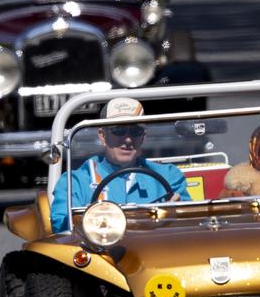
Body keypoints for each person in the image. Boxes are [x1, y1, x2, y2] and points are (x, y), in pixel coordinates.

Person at [50, 97, 190, 232]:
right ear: (102, 136)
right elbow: (62, 229)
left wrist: (177, 212)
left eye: (135, 131)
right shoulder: (74, 182)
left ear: (143, 137)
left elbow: (193, 222)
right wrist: (87, 220)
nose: (128, 139)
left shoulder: (169, 176)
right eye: (119, 130)